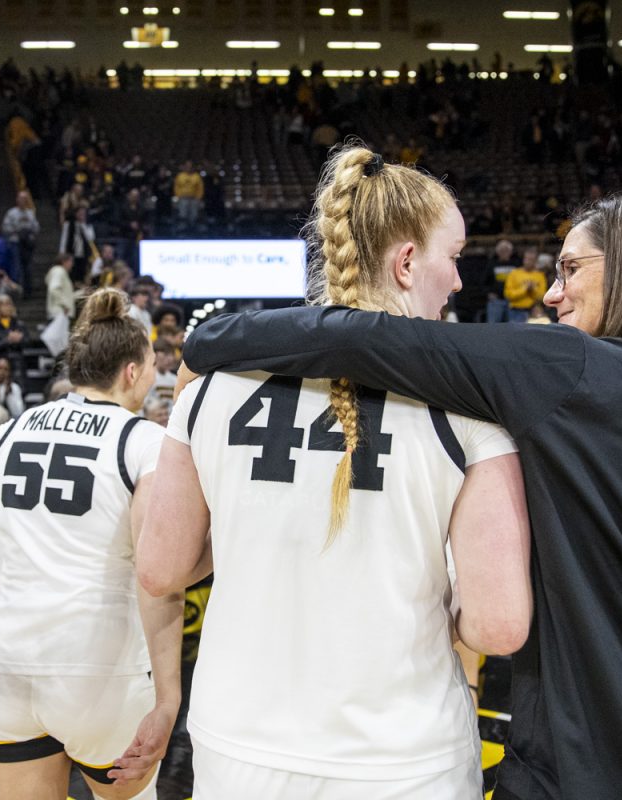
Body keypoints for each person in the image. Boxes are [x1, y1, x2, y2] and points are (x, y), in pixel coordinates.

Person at [181, 187, 622, 799]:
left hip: (579, 772)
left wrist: (206, 342)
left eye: (570, 269)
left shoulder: (567, 368)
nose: (553, 293)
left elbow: (361, 339)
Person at [137, 148, 531, 797]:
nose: (459, 281)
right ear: (407, 263)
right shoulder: (471, 412)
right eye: (453, 257)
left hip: (238, 747)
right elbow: (497, 625)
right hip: (401, 755)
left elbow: (160, 568)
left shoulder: (206, 394)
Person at [0, 288, 181, 799]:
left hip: (6, 670)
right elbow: (157, 575)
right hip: (99, 674)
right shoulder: (144, 440)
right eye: (150, 364)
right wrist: (168, 699)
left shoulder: (8, 432)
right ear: (131, 371)